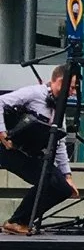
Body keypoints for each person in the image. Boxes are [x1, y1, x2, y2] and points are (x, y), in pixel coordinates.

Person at [0, 63, 79, 234]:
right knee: (47, 180)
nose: (73, 93)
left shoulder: (59, 109)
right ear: (59, 82)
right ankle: (17, 221)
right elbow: (0, 102)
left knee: (63, 188)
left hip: (31, 153)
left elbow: (59, 143)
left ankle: (20, 221)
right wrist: (2, 132)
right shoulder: (34, 93)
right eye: (71, 88)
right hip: (9, 149)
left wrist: (67, 175)